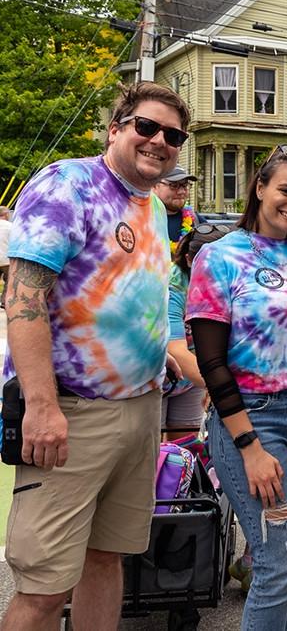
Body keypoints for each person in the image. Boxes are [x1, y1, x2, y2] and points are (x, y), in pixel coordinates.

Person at [1, 81, 189, 630]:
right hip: (69, 414)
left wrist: (155, 354)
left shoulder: (152, 206)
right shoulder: (70, 183)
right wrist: (40, 405)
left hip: (140, 409)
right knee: (44, 585)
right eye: (146, 127)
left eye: (173, 135)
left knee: (106, 559)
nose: (159, 141)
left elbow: (129, 293)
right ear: (116, 129)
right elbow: (24, 296)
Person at [187, 136, 287, 629]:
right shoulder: (220, 256)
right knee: (279, 563)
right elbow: (211, 361)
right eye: (286, 192)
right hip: (253, 418)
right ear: (260, 187)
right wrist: (248, 444)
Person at [162, 224, 231, 433]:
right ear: (190, 260)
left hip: (195, 378)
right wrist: (221, 387)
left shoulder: (231, 283)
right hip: (161, 376)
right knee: (156, 454)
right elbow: (175, 349)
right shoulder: (172, 286)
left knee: (187, 448)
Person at [154, 165, 203, 254]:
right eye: (173, 185)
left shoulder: (196, 221)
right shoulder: (141, 220)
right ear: (154, 186)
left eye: (185, 185)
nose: (181, 192)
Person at [0, 206, 11, 307]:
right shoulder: (11, 226)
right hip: (6, 259)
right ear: (6, 214)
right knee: (9, 280)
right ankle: (4, 301)